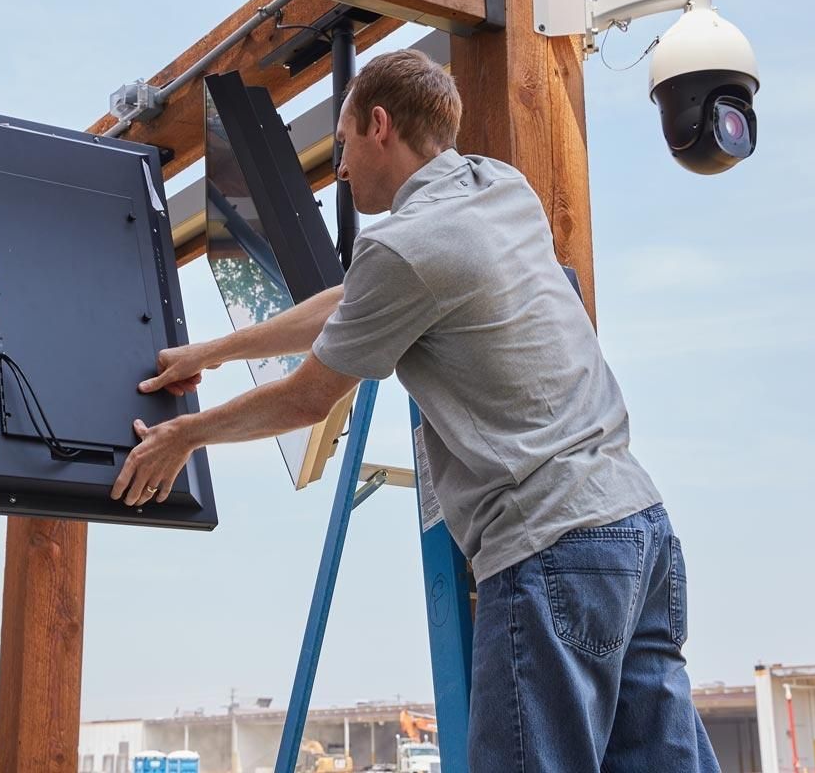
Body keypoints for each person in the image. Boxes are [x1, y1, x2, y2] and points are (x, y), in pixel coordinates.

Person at [111, 48, 718, 773]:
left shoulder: (403, 248)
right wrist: (213, 350)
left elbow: (308, 395)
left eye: (339, 146)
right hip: (638, 534)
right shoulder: (500, 187)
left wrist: (187, 434)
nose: (337, 169)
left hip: (549, 543)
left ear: (378, 126)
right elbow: (355, 302)